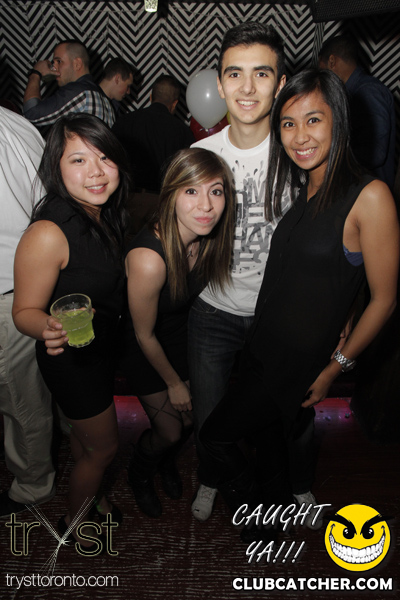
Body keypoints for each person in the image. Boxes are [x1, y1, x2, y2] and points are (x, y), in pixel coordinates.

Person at [199, 69, 399, 540]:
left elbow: (386, 298)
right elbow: (332, 272)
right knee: (270, 445)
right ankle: (269, 523)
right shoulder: (306, 184)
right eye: (288, 123)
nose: (300, 136)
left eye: (314, 120)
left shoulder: (370, 196)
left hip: (296, 362)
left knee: (215, 437)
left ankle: (252, 511)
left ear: (339, 121)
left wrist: (334, 368)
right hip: (264, 344)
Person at [189, 21, 299, 523]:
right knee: (209, 414)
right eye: (235, 73)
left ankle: (292, 481)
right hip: (213, 311)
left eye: (262, 73)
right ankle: (212, 477)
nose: (248, 87)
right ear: (220, 81)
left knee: (284, 412)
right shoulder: (200, 157)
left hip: (280, 315)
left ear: (280, 83)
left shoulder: (300, 153)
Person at [12, 114, 130, 549]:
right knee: (104, 448)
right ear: (56, 168)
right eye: (78, 160)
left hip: (98, 350)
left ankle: (93, 498)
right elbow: (23, 311)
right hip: (71, 360)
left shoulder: (104, 213)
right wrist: (49, 326)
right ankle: (75, 522)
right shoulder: (48, 232)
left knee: (85, 440)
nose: (96, 171)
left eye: (104, 157)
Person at [122, 148, 235, 518]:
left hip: (182, 339)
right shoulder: (149, 258)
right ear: (170, 195)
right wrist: (174, 383)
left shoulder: (204, 239)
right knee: (170, 429)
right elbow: (144, 335)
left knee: (191, 420)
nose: (206, 205)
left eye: (215, 191)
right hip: (144, 345)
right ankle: (139, 473)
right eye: (191, 191)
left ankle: (164, 461)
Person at [0, 106, 55, 518]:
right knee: (32, 390)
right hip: (32, 278)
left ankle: (33, 485)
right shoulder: (14, 120)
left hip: (9, 289)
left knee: (21, 402)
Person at [318, 35, 396, 190]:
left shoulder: (367, 91)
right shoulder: (356, 91)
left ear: (332, 61)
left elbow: (376, 153)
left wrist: (330, 157)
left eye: (321, 69)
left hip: (368, 193)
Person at [112, 74, 195, 193]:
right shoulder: (183, 131)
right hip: (163, 197)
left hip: (128, 195)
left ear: (150, 97)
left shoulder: (124, 122)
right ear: (175, 103)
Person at [23, 40, 115, 129]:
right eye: (54, 63)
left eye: (59, 61)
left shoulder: (78, 91)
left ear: (77, 64)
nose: (54, 68)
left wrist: (36, 74)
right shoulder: (105, 101)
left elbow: (31, 114)